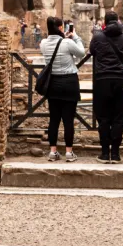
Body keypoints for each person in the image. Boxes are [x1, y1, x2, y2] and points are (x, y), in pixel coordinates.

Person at [90, 11, 123, 163]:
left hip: (102, 80)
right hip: (120, 80)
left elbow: (92, 51)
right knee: (118, 117)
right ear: (118, 21)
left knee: (103, 118)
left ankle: (105, 153)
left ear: (104, 22)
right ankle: (116, 154)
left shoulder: (97, 37)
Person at [39, 17, 86, 163]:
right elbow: (81, 53)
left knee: (54, 119)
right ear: (60, 28)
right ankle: (69, 152)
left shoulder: (43, 43)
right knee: (68, 120)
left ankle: (53, 152)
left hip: (52, 83)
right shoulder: (67, 42)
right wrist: (75, 37)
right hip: (69, 83)